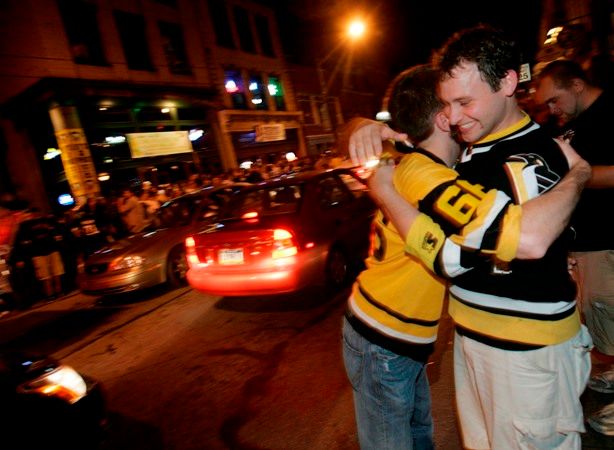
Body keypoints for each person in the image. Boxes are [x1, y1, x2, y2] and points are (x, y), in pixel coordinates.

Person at [348, 25, 593, 449]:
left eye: (464, 101)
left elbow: (456, 257)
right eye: (446, 104)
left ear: (508, 83)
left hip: (522, 349)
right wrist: (369, 128)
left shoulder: (524, 157)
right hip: (479, 337)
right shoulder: (475, 147)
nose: (455, 116)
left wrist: (582, 173)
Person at [534, 58, 614, 435]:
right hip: (585, 245)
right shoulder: (572, 123)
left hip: (607, 242)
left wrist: (574, 177)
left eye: (555, 100)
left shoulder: (609, 112)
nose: (552, 110)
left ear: (577, 85)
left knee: (611, 317)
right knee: (602, 323)